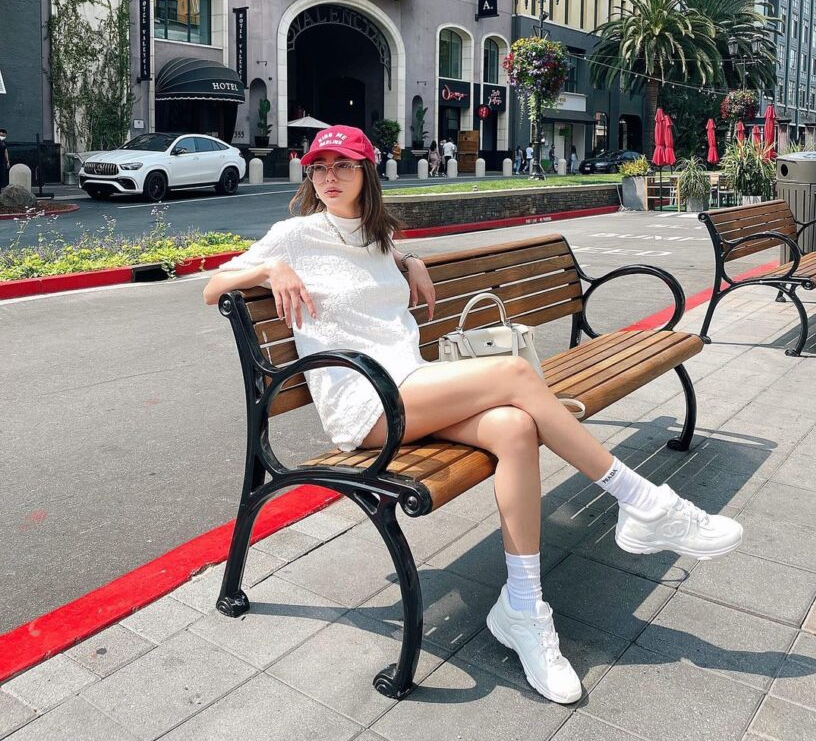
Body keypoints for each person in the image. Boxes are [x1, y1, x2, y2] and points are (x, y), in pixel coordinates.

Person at [203, 124, 743, 706]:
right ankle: (644, 503)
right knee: (514, 375)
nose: (328, 177)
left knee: (515, 427)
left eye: (343, 165)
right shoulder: (294, 235)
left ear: (367, 173)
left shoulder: (378, 237)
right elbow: (212, 288)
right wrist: (267, 271)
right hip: (367, 403)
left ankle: (523, 610)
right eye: (318, 167)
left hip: (412, 387)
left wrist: (408, 258)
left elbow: (371, 254)